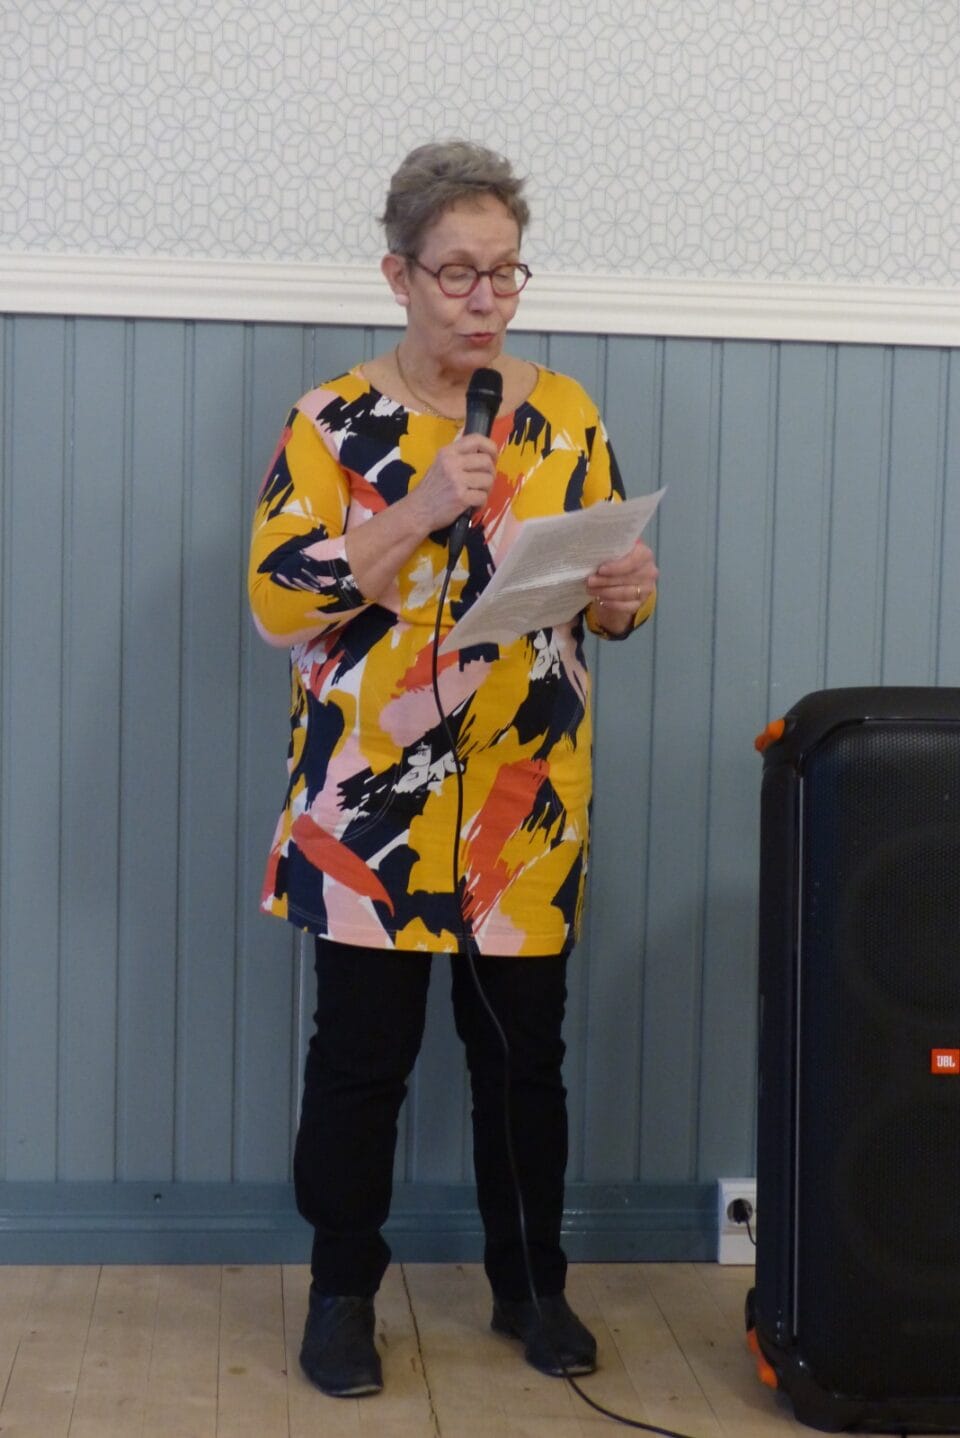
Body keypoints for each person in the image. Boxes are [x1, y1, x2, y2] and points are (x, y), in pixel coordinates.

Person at [247, 140, 658, 1400]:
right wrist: (422, 506)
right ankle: (340, 1295)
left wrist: (626, 594)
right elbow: (278, 600)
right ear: (400, 276)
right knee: (360, 1063)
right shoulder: (331, 420)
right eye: (459, 274)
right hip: (368, 805)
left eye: (506, 273)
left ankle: (531, 1283)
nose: (486, 301)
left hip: (524, 802)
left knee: (522, 1061)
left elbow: (609, 602)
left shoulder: (566, 412)